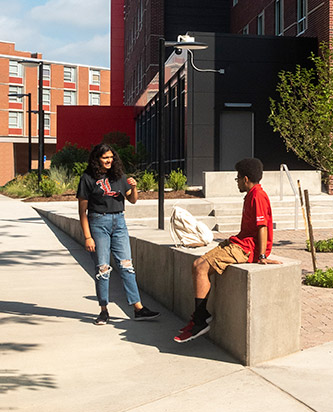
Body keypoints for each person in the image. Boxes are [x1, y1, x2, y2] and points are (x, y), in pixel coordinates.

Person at [174, 157, 279, 344]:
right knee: (197, 264)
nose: (237, 182)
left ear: (245, 179)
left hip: (246, 249)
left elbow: (262, 226)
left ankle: (200, 321)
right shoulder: (251, 195)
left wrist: (262, 256)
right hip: (239, 242)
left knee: (201, 268)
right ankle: (201, 315)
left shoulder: (258, 196)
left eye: (238, 178)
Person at [76, 143, 160, 325]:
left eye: (111, 157)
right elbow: (82, 211)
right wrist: (88, 237)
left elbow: (132, 200)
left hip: (119, 223)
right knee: (103, 268)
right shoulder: (87, 178)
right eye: (105, 158)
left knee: (127, 266)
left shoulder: (119, 176)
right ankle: (103, 310)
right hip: (98, 223)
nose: (109, 160)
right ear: (97, 159)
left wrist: (134, 187)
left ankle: (138, 308)